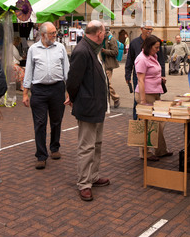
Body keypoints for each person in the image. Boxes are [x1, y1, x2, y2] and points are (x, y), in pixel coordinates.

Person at [66, 20, 110, 202]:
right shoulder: (82, 51)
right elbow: (73, 81)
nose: (106, 34)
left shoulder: (94, 49)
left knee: (97, 144)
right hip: (88, 107)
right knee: (86, 146)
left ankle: (93, 176)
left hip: (97, 106)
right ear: (99, 33)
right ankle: (84, 183)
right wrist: (74, 98)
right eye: (105, 32)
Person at [22, 22, 69, 170]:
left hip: (57, 89)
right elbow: (28, 71)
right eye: (52, 33)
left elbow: (67, 71)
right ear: (42, 35)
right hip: (39, 91)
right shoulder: (33, 49)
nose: (55, 35)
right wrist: (25, 93)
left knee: (56, 121)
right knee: (40, 123)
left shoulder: (60, 47)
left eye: (55, 32)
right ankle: (41, 156)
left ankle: (54, 148)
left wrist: (70, 92)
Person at [135, 35, 172, 161]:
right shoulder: (141, 59)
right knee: (149, 124)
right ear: (148, 46)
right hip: (146, 94)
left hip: (155, 92)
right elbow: (140, 80)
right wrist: (143, 101)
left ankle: (160, 150)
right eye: (156, 47)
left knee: (159, 122)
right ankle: (145, 152)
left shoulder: (152, 56)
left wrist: (159, 78)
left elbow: (151, 74)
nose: (157, 50)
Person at [125, 21, 165, 120]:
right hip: (139, 77)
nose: (149, 31)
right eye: (147, 29)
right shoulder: (135, 43)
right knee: (139, 105)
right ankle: (136, 121)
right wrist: (127, 74)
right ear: (141, 29)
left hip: (154, 85)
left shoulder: (155, 43)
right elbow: (130, 60)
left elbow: (161, 61)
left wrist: (162, 75)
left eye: (151, 29)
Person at [101, 26, 120, 108]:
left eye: (103, 32)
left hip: (108, 64)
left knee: (107, 83)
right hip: (102, 63)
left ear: (107, 32)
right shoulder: (102, 39)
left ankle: (115, 98)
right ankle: (106, 101)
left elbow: (115, 52)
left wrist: (105, 51)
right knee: (104, 83)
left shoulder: (112, 39)